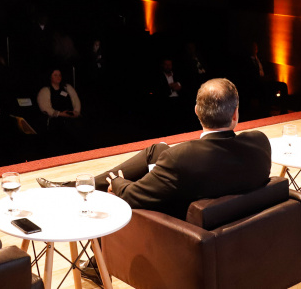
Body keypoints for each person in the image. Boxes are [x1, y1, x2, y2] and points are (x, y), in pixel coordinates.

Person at [37, 78, 271, 220]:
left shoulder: (180, 159)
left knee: (155, 160)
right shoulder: (259, 143)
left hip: (178, 223)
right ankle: (71, 187)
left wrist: (117, 183)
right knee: (156, 150)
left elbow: (132, 195)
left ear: (197, 112)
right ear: (235, 114)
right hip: (233, 219)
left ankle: (96, 262)